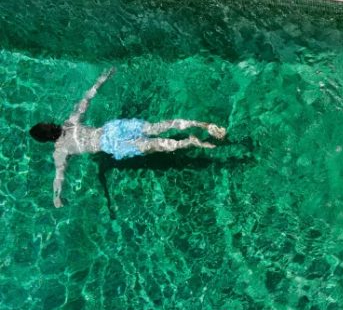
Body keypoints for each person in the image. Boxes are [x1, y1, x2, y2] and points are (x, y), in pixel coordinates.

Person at [29, 67, 227, 208]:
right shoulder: (70, 122)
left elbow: (59, 177)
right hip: (112, 130)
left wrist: (57, 198)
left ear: (46, 140)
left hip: (112, 146)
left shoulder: (61, 151)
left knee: (157, 145)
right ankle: (202, 125)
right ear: (51, 125)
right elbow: (86, 99)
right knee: (156, 127)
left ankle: (189, 142)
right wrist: (101, 79)